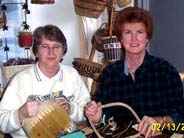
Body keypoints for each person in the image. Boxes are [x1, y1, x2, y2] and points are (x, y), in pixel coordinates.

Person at [85, 7, 184, 138]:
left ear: (147, 37)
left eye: (139, 32)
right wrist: (97, 117)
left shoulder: (166, 71)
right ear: (120, 38)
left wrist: (158, 123)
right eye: (127, 32)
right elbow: (103, 120)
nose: (134, 39)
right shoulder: (109, 74)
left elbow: (181, 123)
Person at [0, 25, 90, 138]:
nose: (51, 52)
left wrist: (71, 109)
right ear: (36, 52)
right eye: (45, 46)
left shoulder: (72, 75)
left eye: (56, 47)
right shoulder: (20, 80)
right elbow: (2, 122)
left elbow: (87, 112)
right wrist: (20, 114)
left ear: (63, 52)